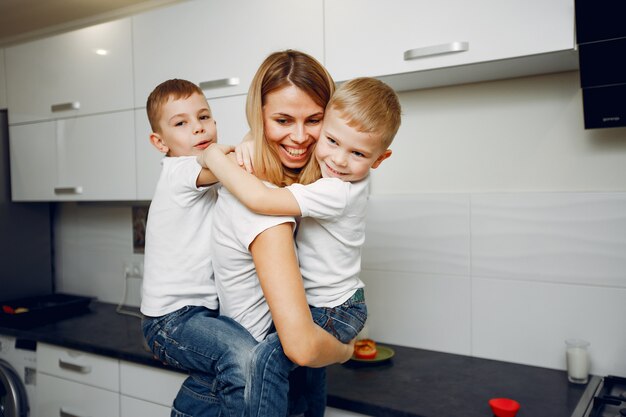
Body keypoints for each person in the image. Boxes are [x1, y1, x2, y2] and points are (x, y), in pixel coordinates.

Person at [199, 76, 402, 416]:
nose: (338, 160)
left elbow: (259, 197)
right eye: (332, 140)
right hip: (341, 303)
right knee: (308, 379)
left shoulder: (337, 190)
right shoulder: (344, 177)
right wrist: (252, 137)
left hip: (331, 310)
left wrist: (213, 157)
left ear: (380, 159)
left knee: (264, 359)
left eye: (357, 153)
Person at [139, 78, 258, 417]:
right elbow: (227, 161)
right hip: (169, 322)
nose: (197, 128)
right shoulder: (178, 172)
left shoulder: (206, 175)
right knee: (244, 358)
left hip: (200, 316)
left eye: (203, 117)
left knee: (237, 365)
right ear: (159, 142)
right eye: (181, 123)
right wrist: (253, 137)